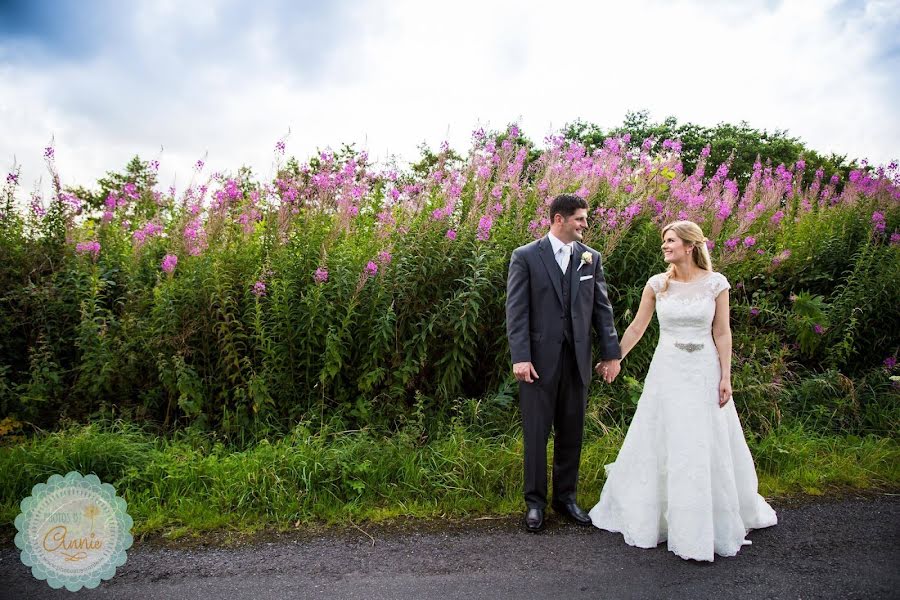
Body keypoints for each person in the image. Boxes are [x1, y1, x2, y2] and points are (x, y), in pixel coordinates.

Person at [588, 220, 777, 561]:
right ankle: (658, 513)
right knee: (664, 435)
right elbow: (636, 328)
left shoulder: (716, 284)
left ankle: (707, 512)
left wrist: (726, 376)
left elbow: (722, 333)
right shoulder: (657, 285)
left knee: (703, 437)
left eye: (671, 240)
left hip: (704, 370)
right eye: (665, 241)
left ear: (690, 246)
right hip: (668, 371)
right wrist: (614, 359)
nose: (665, 246)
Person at [506, 193, 622, 533]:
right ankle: (535, 503)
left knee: (572, 433)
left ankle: (566, 498)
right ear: (559, 219)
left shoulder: (590, 259)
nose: (585, 224)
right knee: (536, 434)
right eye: (580, 219)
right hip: (537, 363)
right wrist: (521, 357)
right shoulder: (525, 256)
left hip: (577, 362)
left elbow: (603, 310)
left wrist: (611, 353)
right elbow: (517, 311)